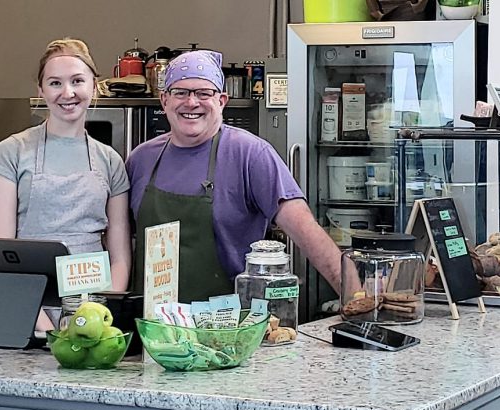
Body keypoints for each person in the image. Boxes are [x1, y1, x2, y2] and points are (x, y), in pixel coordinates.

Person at [126, 50, 341, 303]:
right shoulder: (141, 159)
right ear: (164, 100)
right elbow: (119, 243)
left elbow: (307, 232)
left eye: (204, 93)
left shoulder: (250, 154)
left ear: (222, 101)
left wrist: (354, 296)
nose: (191, 102)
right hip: (153, 328)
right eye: (180, 92)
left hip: (227, 326)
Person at [0, 38, 131, 291]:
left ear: (94, 86)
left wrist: (103, 313)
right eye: (55, 83)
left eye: (77, 81)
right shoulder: (11, 153)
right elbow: (1, 255)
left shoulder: (110, 161)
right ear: (41, 90)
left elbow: (120, 259)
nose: (67, 93)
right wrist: (42, 322)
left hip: (94, 306)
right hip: (27, 300)